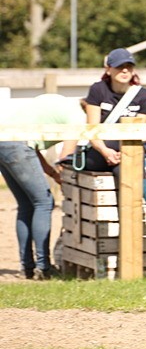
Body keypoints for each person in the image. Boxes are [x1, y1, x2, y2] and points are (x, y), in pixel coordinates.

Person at [0, 94, 84, 279]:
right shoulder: (78, 117)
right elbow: (66, 156)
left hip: (4, 140)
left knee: (27, 205)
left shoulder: (61, 103)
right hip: (19, 144)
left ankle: (27, 267)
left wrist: (54, 175)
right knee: (44, 203)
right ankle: (44, 267)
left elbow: (34, 148)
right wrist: (66, 180)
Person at [81, 48, 146, 225]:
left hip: (126, 152)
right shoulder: (98, 90)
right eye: (120, 67)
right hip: (98, 152)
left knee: (127, 160)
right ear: (108, 69)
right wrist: (105, 151)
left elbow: (139, 133)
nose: (125, 71)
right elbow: (93, 132)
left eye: (129, 66)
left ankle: (136, 218)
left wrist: (118, 154)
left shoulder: (142, 95)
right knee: (127, 159)